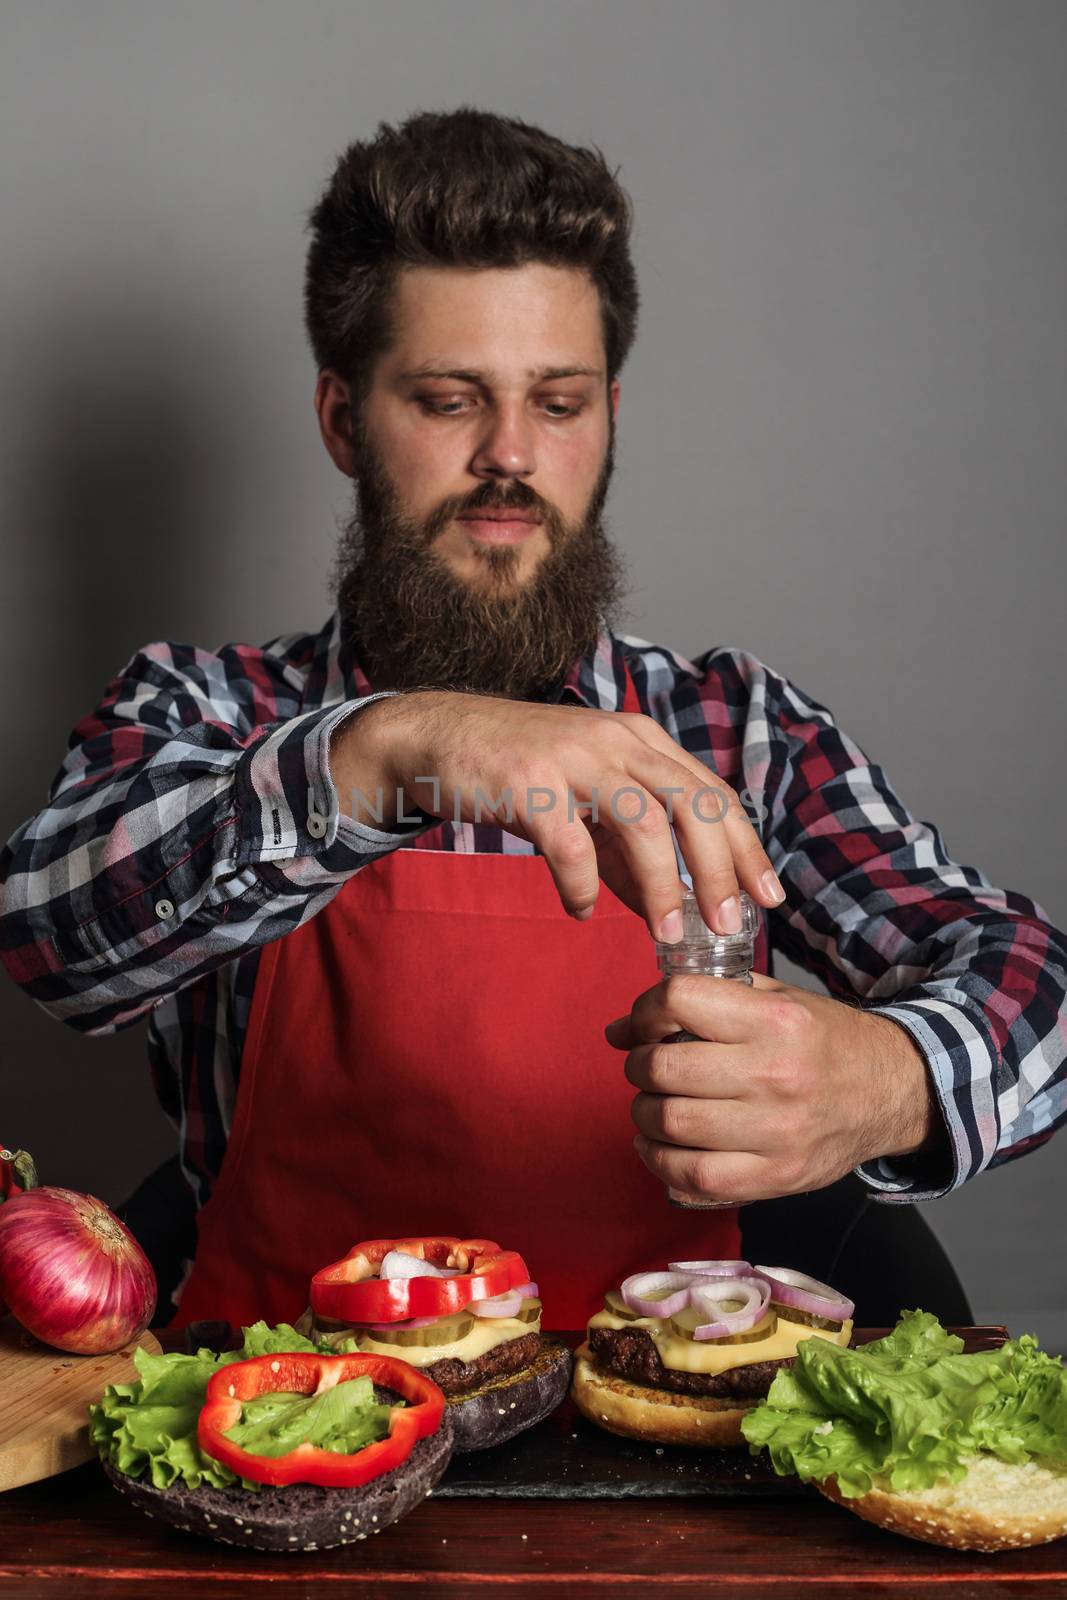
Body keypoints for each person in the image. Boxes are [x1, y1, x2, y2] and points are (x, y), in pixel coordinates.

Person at [2, 108, 1063, 1334]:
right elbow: (47, 939)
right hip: (288, 1431)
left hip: (658, 1449)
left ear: (607, 415)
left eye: (557, 405)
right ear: (344, 418)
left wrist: (891, 1079)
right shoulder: (207, 709)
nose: (510, 456)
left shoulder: (736, 732)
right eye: (450, 400)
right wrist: (391, 747)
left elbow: (1029, 979)